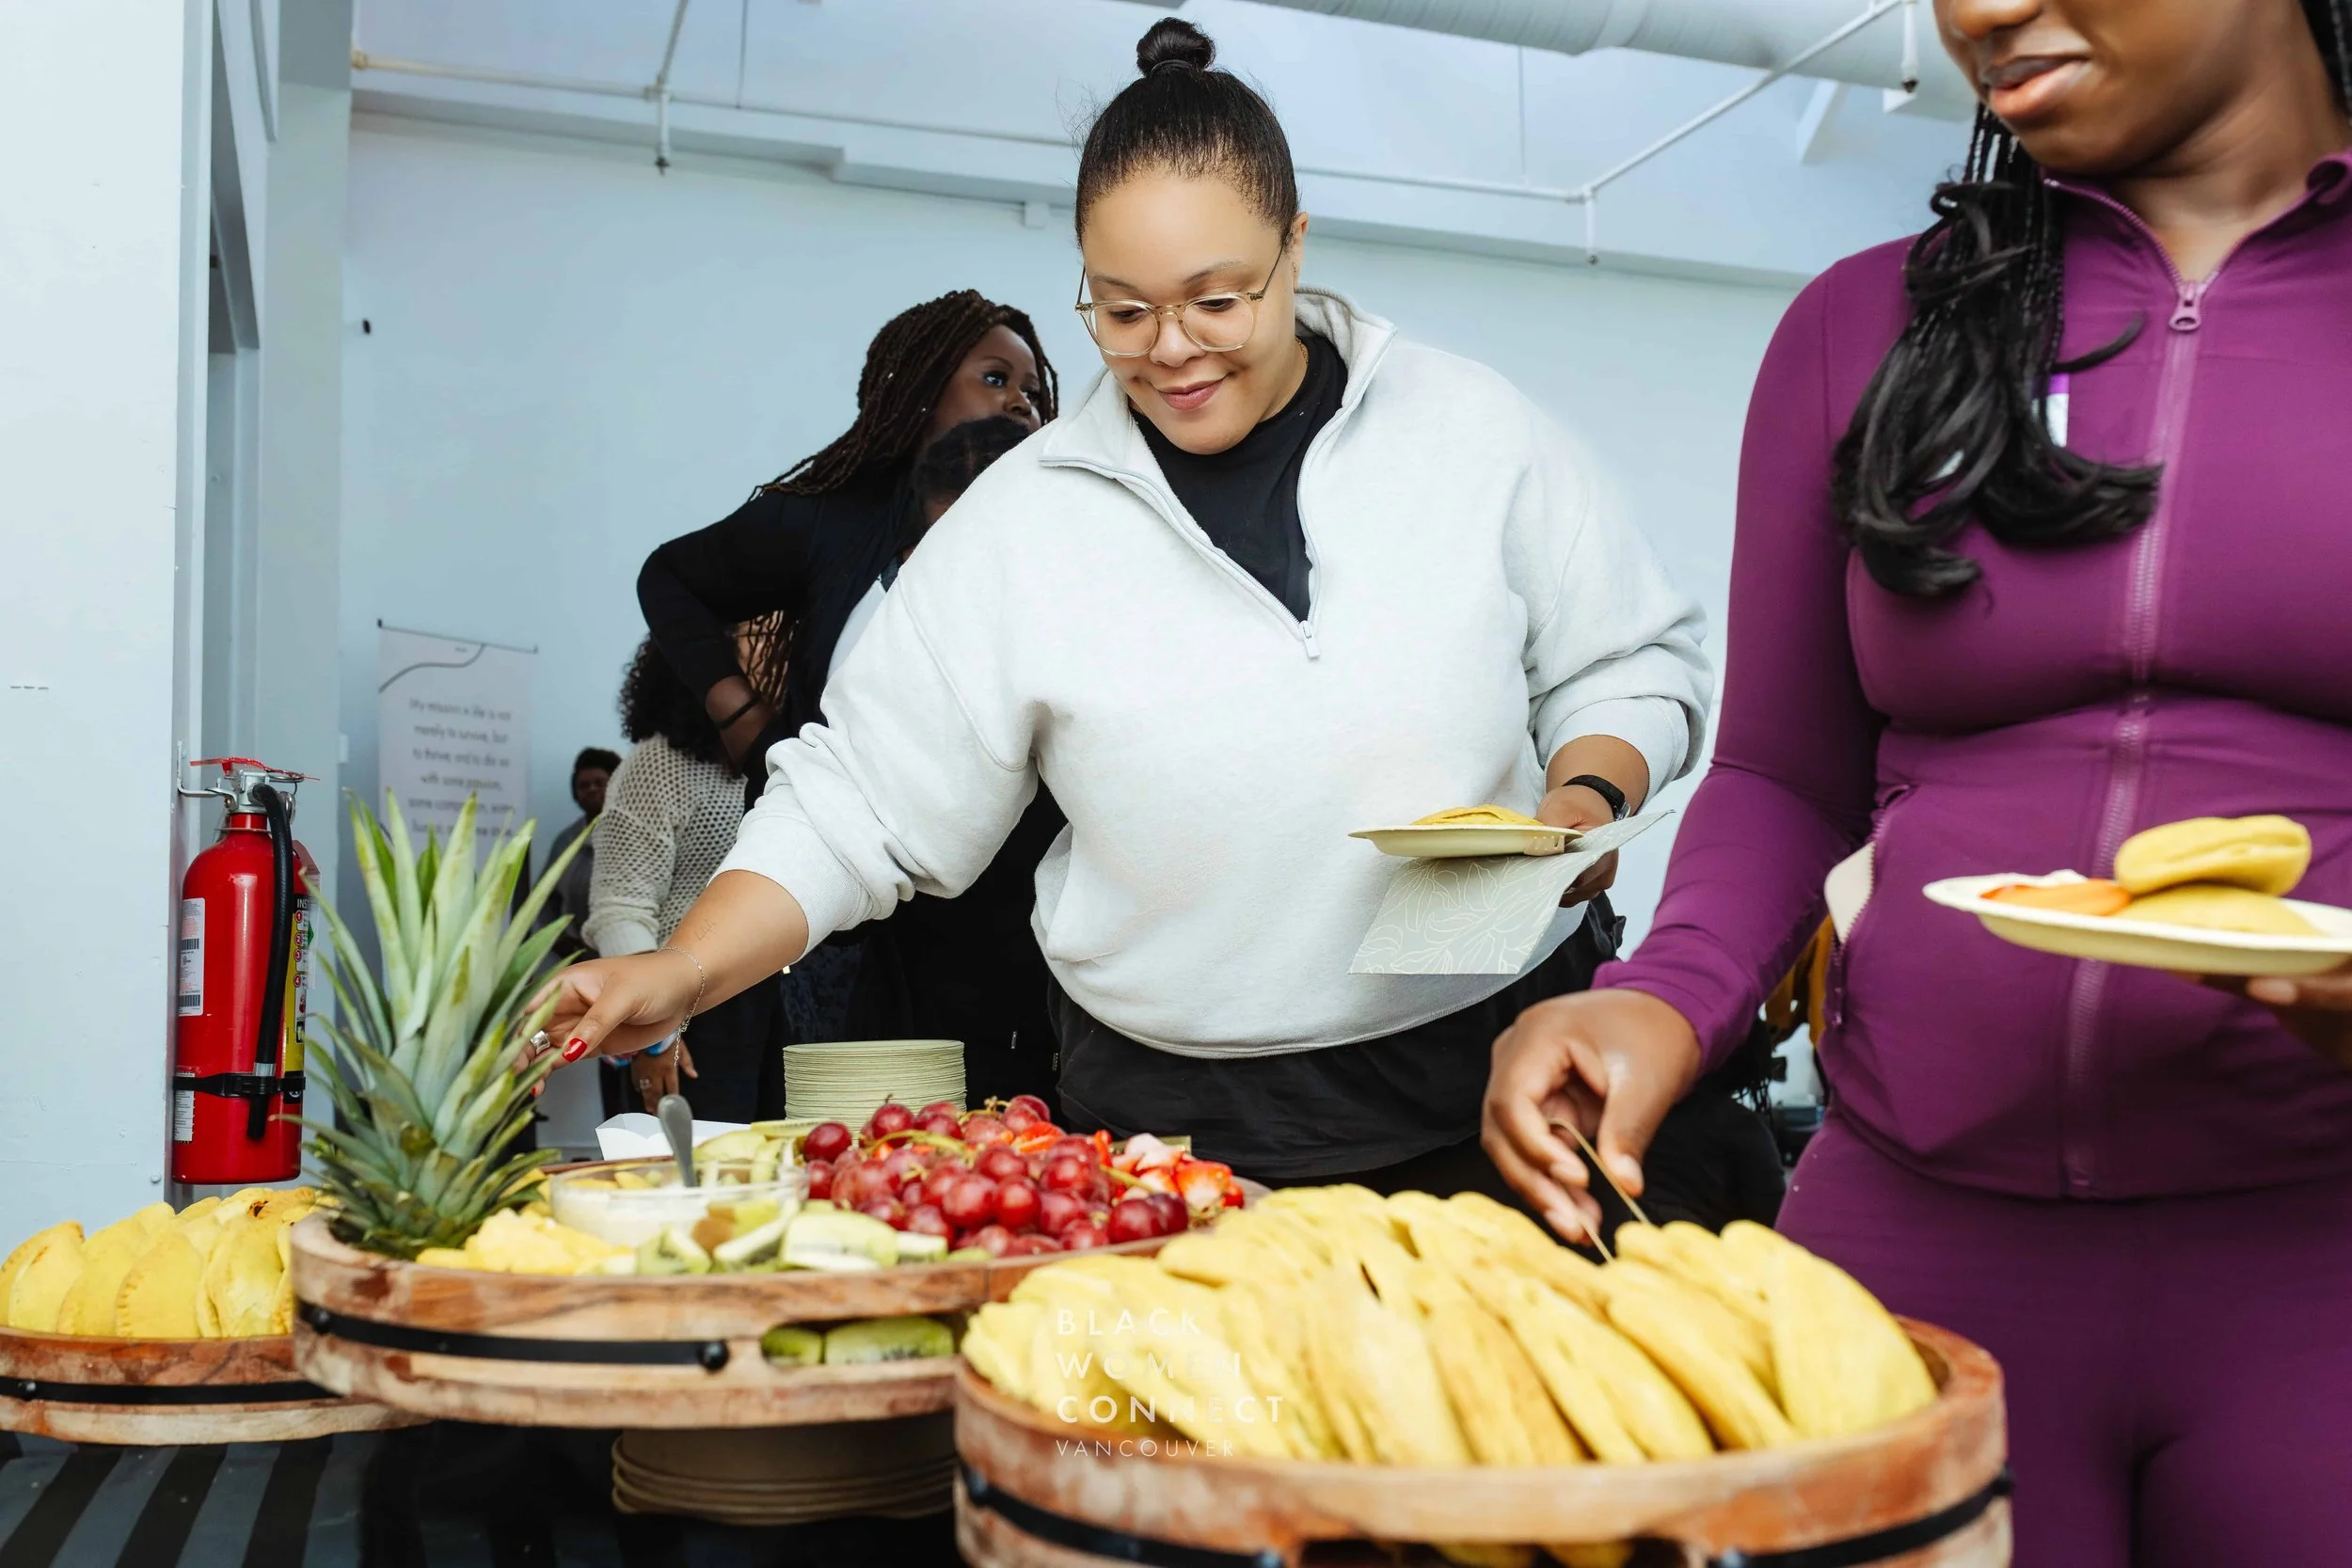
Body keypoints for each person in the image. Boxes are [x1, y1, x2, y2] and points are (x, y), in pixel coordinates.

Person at [542, 18, 1709, 1200]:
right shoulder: (1023, 519)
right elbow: (855, 801)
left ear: (1295, 246)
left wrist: (1583, 800)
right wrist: (685, 968)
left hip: (1503, 1090)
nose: (1172, 351)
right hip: (1170, 1144)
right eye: (1122, 311)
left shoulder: (1467, 427)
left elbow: (1625, 663)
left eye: (1216, 300)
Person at [1484, 1, 2352, 1560]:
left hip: (2317, 1269)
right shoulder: (1865, 326)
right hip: (1912, 1248)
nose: (1977, 12)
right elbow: (1781, 769)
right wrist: (1663, 995)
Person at [636, 293, 1065, 1086]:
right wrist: (743, 718)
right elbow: (672, 578)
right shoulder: (833, 521)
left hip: (1012, 912)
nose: (1021, 402)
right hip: (857, 906)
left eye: (1034, 391)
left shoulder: (1063, 531)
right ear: (920, 388)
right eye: (996, 377)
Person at [584, 640, 777, 1120]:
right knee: (700, 1165)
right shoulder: (658, 766)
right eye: (753, 638)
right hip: (693, 1010)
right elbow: (620, 909)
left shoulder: (779, 758)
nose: (773, 650)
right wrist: (654, 1033)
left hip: (782, 1003)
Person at [541, 747, 618, 958]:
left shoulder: (637, 833)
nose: (591, 790)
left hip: (625, 953)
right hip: (577, 955)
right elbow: (545, 899)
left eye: (599, 783)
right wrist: (557, 941)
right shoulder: (566, 841)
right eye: (584, 785)